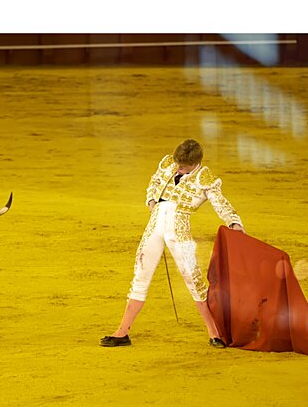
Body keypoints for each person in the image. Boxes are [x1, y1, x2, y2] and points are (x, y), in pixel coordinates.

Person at [100, 139, 244, 348]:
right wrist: (151, 199)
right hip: (154, 228)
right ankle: (122, 332)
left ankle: (214, 333)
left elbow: (220, 202)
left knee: (193, 280)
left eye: (183, 167)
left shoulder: (205, 178)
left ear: (195, 164)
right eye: (177, 164)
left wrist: (233, 221)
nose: (177, 168)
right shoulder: (169, 163)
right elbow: (155, 181)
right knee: (140, 275)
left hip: (180, 231)